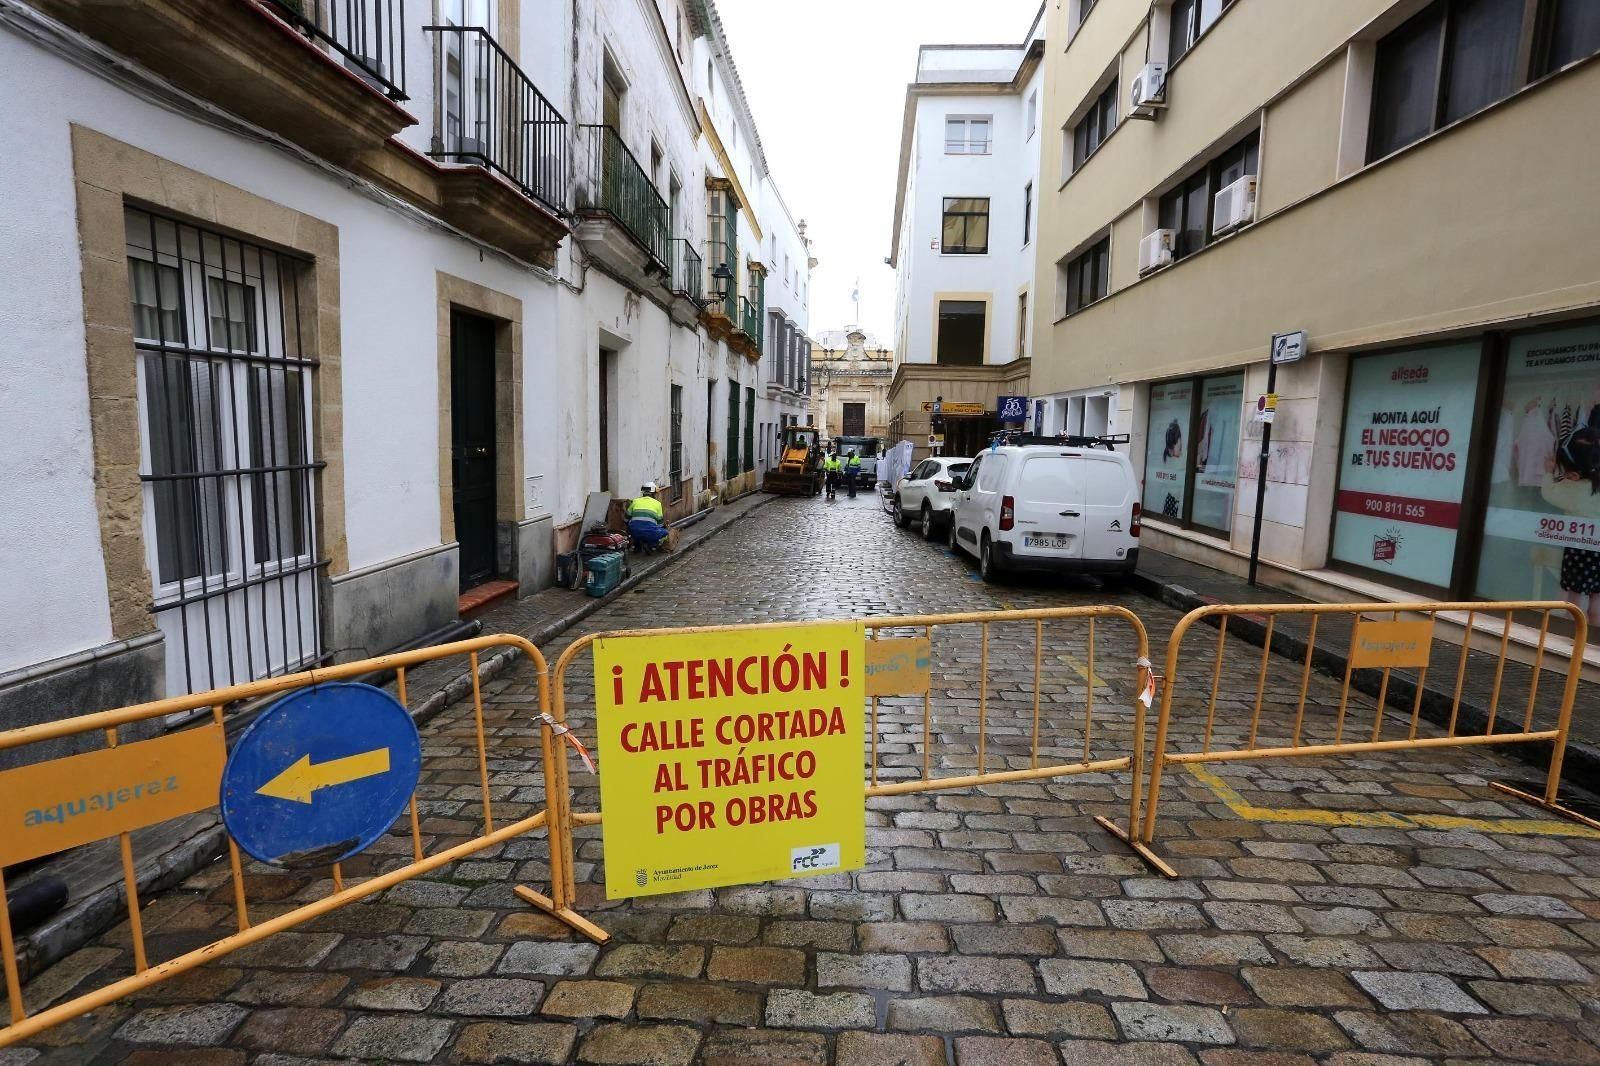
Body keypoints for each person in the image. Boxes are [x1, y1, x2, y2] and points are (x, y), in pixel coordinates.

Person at [626, 482, 668, 551]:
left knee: (633, 527)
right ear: (653, 494)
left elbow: (626, 518)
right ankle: (652, 545)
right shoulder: (657, 504)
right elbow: (660, 524)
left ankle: (637, 544)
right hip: (650, 533)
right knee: (665, 532)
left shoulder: (635, 501)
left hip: (634, 532)